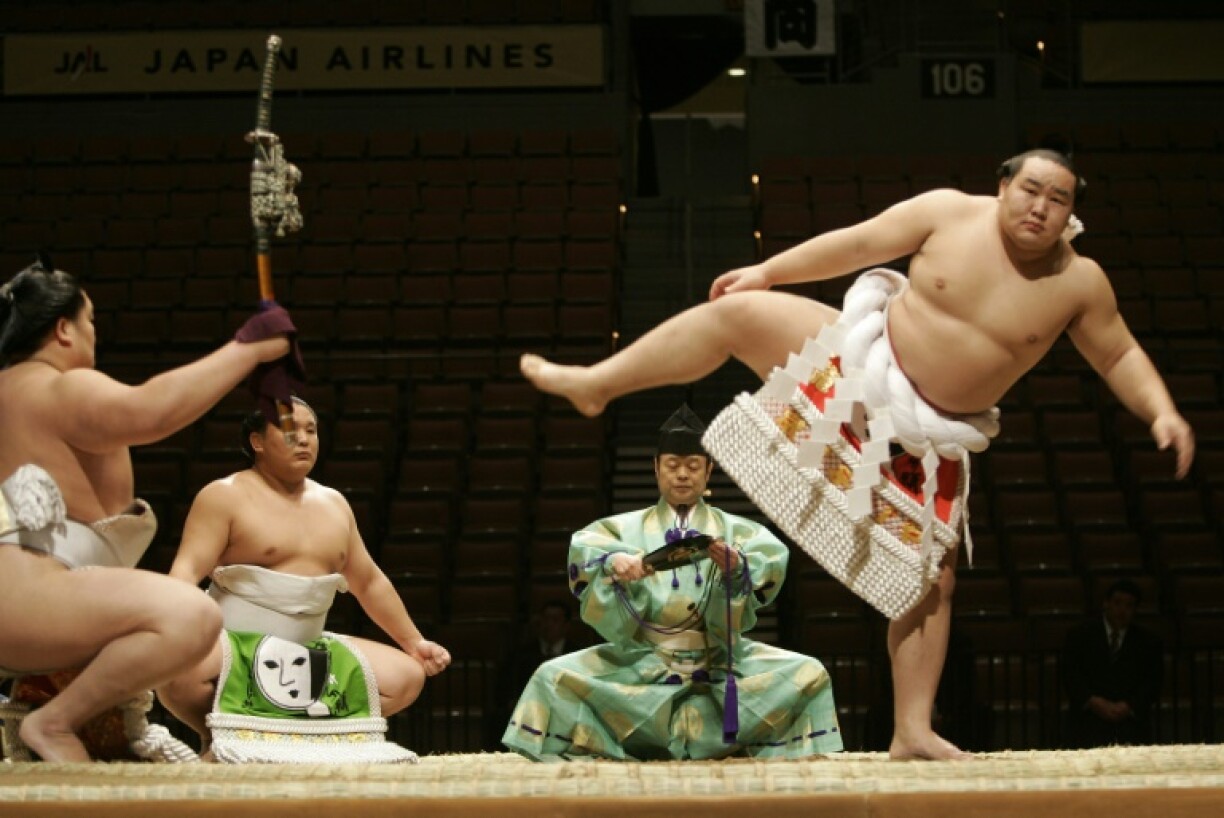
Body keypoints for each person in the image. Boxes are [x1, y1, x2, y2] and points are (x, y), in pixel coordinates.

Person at [520, 149, 1194, 759]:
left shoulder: (1080, 282)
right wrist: (769, 268)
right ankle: (596, 385)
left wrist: (1161, 410)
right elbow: (858, 243)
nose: (1040, 207)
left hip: (929, 437)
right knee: (739, 313)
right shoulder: (946, 214)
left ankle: (913, 730)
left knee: (932, 583)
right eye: (1031, 189)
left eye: (1059, 199)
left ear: (1072, 214)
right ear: (1003, 186)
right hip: (857, 363)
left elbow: (1118, 353)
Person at [0, 257, 295, 762]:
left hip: (26, 599)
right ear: (64, 328)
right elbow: (150, 410)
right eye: (91, 321)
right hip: (28, 591)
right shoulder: (59, 384)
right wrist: (248, 349)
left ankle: (63, 723)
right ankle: (54, 722)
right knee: (192, 616)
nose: (95, 334)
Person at [502, 405, 842, 761]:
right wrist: (614, 563)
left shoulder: (738, 531)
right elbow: (587, 548)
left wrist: (736, 570)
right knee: (550, 676)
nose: (682, 475)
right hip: (643, 662)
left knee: (810, 673)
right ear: (656, 469)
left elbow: (765, 562)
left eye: (693, 466)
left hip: (719, 660)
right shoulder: (623, 528)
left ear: (709, 471)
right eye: (672, 465)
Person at [156, 398, 450, 757]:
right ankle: (215, 737)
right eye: (291, 430)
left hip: (309, 653)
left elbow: (369, 582)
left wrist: (414, 642)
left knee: (406, 677)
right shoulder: (223, 496)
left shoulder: (335, 504)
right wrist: (169, 630)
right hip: (231, 646)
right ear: (257, 442)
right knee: (175, 671)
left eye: (311, 430)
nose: (305, 439)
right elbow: (186, 570)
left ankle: (302, 739)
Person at [1062, 578, 1163, 748]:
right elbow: (1070, 675)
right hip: (1088, 722)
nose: (1122, 610)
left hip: (1131, 724)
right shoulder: (1080, 636)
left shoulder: (1148, 642)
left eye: (1129, 605)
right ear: (1106, 603)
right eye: (1117, 603)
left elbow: (1153, 682)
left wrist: (1129, 706)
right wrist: (1093, 701)